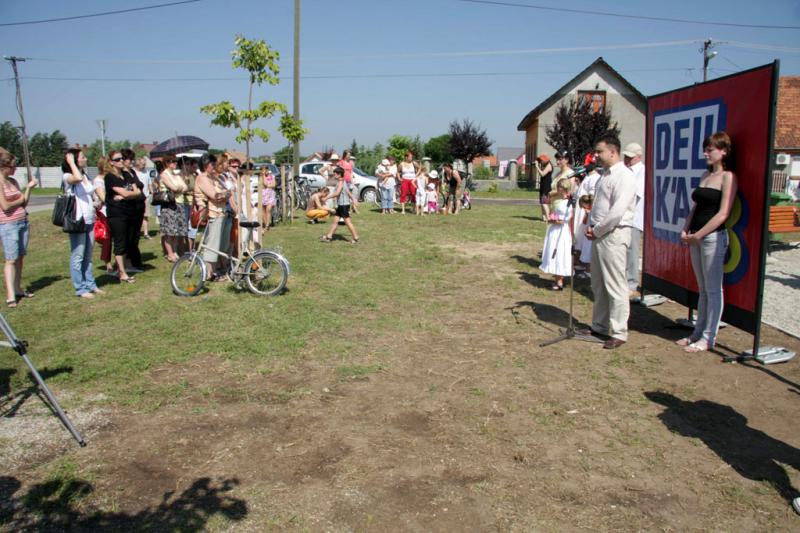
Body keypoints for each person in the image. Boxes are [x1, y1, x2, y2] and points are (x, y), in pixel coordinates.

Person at [677, 132, 738, 353]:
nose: (706, 153)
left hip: (713, 237)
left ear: (724, 151)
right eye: (705, 149)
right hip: (696, 236)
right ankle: (697, 332)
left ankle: (708, 337)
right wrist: (686, 229)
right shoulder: (705, 174)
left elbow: (723, 213)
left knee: (713, 290)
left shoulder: (728, 177)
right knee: (702, 289)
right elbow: (696, 207)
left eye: (710, 149)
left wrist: (700, 234)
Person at [583, 134, 637, 350]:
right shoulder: (604, 175)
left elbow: (616, 211)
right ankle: (599, 325)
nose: (596, 155)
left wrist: (597, 230)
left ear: (613, 152)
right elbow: (600, 205)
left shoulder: (624, 176)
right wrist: (591, 224)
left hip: (614, 234)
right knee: (598, 283)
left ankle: (619, 332)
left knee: (615, 284)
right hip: (599, 234)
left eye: (599, 151)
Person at [62, 149, 102, 299]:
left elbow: (89, 192)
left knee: (88, 255)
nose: (86, 159)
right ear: (74, 160)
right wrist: (71, 163)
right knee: (78, 255)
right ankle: (80, 288)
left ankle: (91, 284)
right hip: (77, 221)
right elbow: (76, 178)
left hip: (90, 219)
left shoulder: (84, 175)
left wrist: (96, 202)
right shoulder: (67, 176)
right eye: (82, 157)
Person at [0, 148, 35, 307]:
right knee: (10, 259)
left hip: (22, 222)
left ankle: (18, 288)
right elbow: (5, 206)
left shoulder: (13, 182)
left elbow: (24, 203)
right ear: (4, 166)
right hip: (8, 225)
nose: (15, 169)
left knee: (20, 257)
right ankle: (10, 295)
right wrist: (20, 200)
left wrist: (28, 188)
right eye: (13, 166)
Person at [104, 150, 141, 283]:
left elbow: (137, 191)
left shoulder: (126, 174)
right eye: (117, 159)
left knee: (127, 241)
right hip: (117, 214)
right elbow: (127, 193)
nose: (121, 161)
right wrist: (128, 194)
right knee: (120, 243)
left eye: (121, 159)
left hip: (129, 212)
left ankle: (123, 267)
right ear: (111, 162)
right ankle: (122, 273)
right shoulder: (109, 177)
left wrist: (126, 195)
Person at [194, 153, 231, 280]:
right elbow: (215, 196)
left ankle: (217, 270)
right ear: (205, 165)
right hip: (212, 214)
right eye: (212, 164)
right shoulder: (202, 178)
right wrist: (224, 195)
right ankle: (209, 273)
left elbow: (226, 192)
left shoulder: (213, 177)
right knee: (212, 245)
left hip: (221, 212)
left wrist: (224, 194)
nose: (215, 166)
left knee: (221, 244)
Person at [539, 178, 573, 290]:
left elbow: (563, 220)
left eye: (559, 187)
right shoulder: (561, 200)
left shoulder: (568, 202)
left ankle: (559, 281)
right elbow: (546, 200)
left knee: (559, 252)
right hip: (556, 229)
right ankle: (558, 279)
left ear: (563, 188)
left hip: (561, 231)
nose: (557, 189)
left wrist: (552, 220)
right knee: (554, 251)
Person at [623, 142, 645, 298]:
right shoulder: (626, 170)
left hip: (634, 218)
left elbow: (635, 194)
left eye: (630, 157)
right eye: (626, 156)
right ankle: (623, 282)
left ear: (638, 157)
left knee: (632, 251)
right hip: (624, 217)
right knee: (623, 250)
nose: (627, 159)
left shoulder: (642, 172)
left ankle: (632, 283)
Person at [157, 155, 188, 262]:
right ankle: (170, 253)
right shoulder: (164, 174)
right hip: (169, 205)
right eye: (172, 161)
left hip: (180, 203)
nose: (175, 163)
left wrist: (179, 188)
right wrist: (179, 188)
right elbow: (174, 188)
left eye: (176, 161)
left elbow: (185, 187)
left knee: (177, 231)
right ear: (166, 163)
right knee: (169, 231)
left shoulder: (176, 175)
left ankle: (175, 251)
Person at [119, 149, 145, 272]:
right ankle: (128, 262)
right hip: (130, 207)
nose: (131, 161)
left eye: (132, 159)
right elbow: (130, 190)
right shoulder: (123, 174)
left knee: (135, 235)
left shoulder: (132, 172)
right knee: (129, 236)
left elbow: (138, 187)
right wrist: (136, 192)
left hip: (139, 206)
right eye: (129, 159)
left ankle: (133, 260)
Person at [320, 167, 359, 244]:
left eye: (335, 174)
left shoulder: (341, 182)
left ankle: (356, 237)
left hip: (344, 205)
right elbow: (348, 192)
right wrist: (354, 199)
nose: (334, 175)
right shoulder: (341, 181)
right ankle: (329, 236)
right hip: (341, 205)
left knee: (348, 222)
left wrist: (327, 197)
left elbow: (337, 193)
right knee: (335, 222)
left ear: (339, 174)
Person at [93, 157, 114, 274]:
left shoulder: (111, 177)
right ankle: (108, 264)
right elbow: (103, 197)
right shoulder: (98, 180)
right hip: (104, 212)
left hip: (114, 210)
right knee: (107, 239)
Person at [133, 157, 152, 239]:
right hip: (136, 197)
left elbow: (149, 183)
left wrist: (151, 192)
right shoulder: (133, 172)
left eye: (145, 164)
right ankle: (136, 232)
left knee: (145, 216)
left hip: (146, 197)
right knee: (136, 216)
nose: (144, 166)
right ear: (138, 164)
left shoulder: (146, 172)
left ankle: (146, 233)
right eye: (143, 164)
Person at [535, 154, 554, 221]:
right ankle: (544, 217)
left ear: (544, 160)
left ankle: (548, 217)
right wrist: (539, 166)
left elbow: (542, 174)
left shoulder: (549, 165)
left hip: (546, 185)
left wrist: (537, 166)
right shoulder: (544, 165)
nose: (540, 161)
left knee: (544, 202)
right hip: (543, 184)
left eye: (541, 160)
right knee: (541, 202)